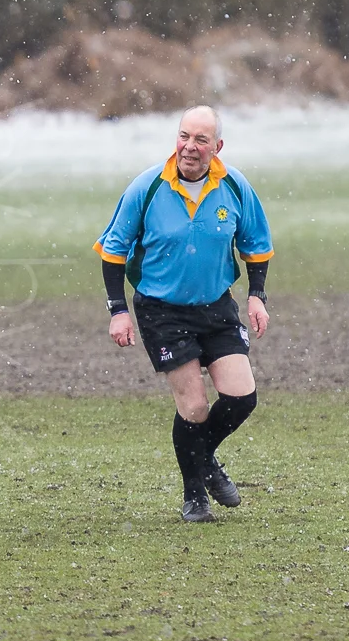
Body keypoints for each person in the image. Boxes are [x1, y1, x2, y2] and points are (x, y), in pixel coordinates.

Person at [96, 105, 273, 524]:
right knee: (193, 407)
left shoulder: (234, 186)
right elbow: (112, 250)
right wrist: (118, 310)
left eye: (201, 140)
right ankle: (195, 495)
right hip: (161, 310)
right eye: (183, 137)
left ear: (218, 146)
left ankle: (205, 458)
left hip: (216, 305)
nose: (189, 148)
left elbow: (256, 244)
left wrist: (257, 295)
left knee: (242, 397)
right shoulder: (148, 187)